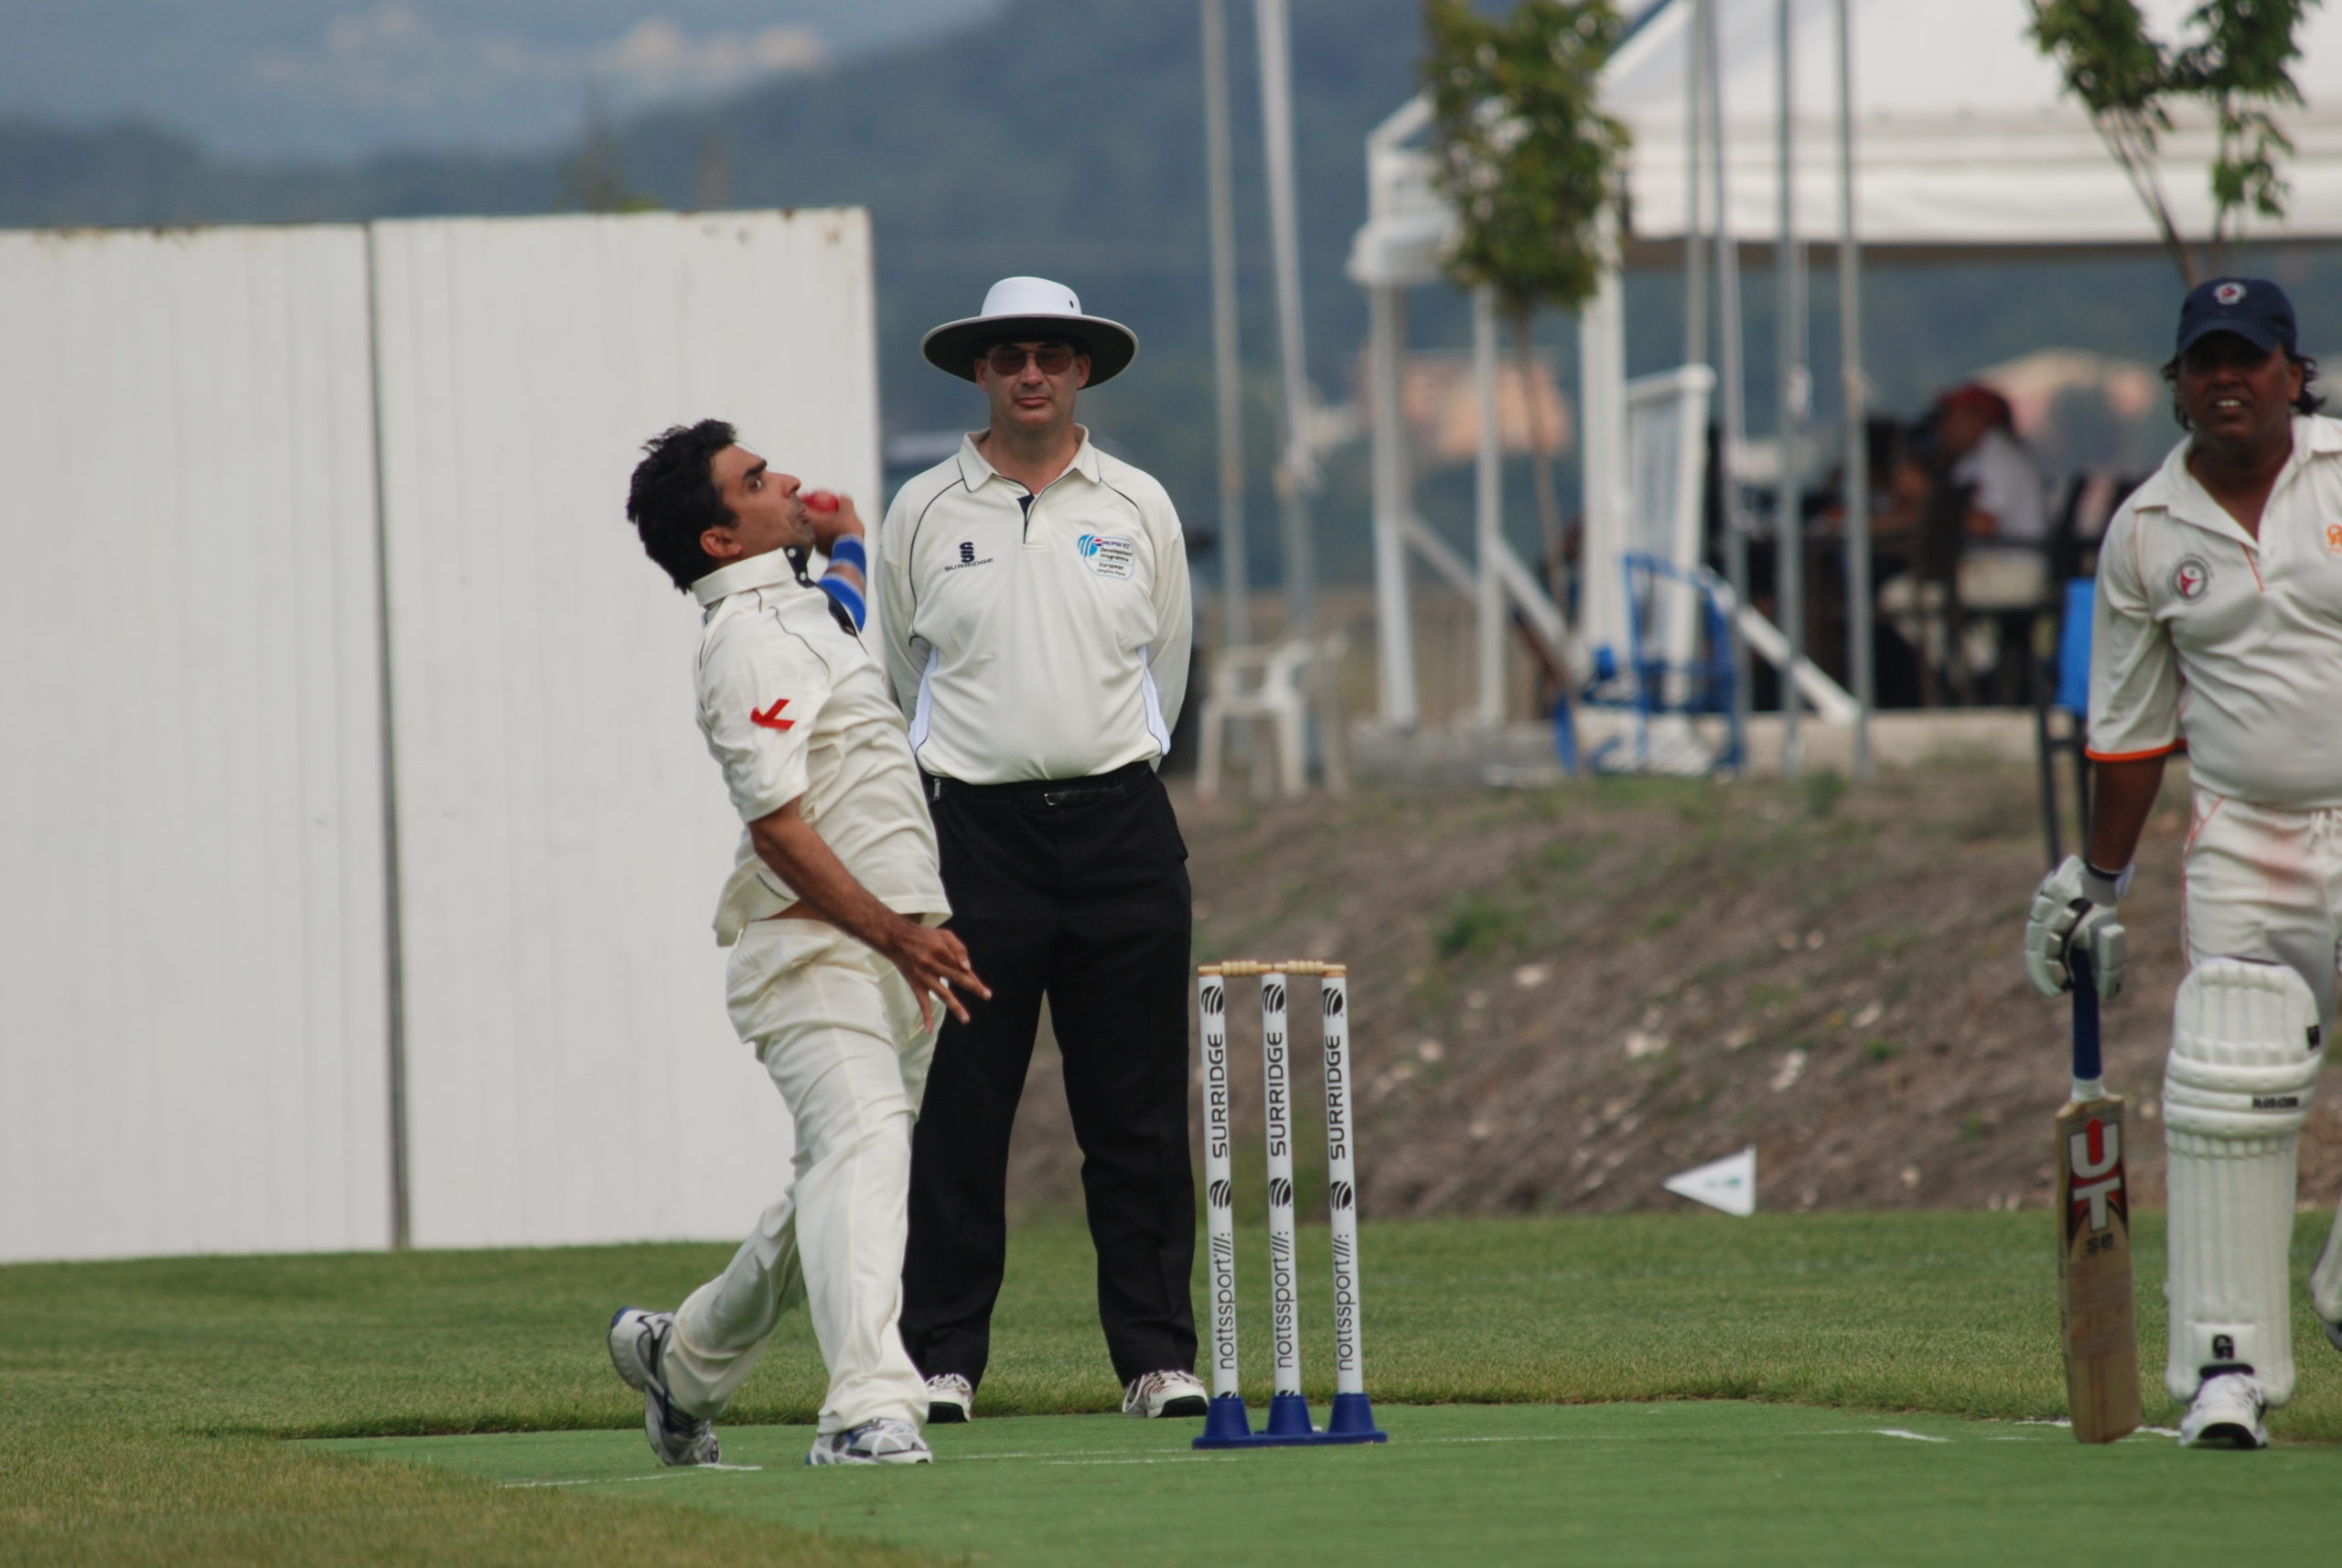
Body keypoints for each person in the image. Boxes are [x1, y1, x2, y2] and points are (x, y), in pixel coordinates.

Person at [607, 419, 988, 1466]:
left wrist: (850, 535)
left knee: (840, 1176)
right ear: (722, 540)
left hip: (893, 952)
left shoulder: (805, 610)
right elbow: (778, 827)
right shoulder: (739, 645)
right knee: (866, 1150)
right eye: (757, 480)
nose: (787, 481)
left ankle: (680, 1362)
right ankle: (867, 1408)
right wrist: (897, 937)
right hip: (808, 950)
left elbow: (847, 609)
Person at [876, 277, 1203, 1423]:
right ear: (980, 371)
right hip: (975, 838)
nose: (1030, 373)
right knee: (962, 1109)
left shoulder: (1138, 504)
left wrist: (1097, 760)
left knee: (1138, 1112)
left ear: (1080, 373)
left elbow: (1165, 665)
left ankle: (1156, 1358)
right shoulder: (922, 508)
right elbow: (900, 681)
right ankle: (941, 1360)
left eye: (1051, 356)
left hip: (1119, 827)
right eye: (1009, 355)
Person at [2024, 276, 2342, 1450]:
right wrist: (2094, 883)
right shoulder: (2146, 530)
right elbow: (2129, 731)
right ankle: (2227, 1369)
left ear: (2288, 371)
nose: (2225, 379)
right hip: (2243, 836)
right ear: (2175, 382)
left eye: (2246, 359)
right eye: (2203, 361)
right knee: (2227, 1082)